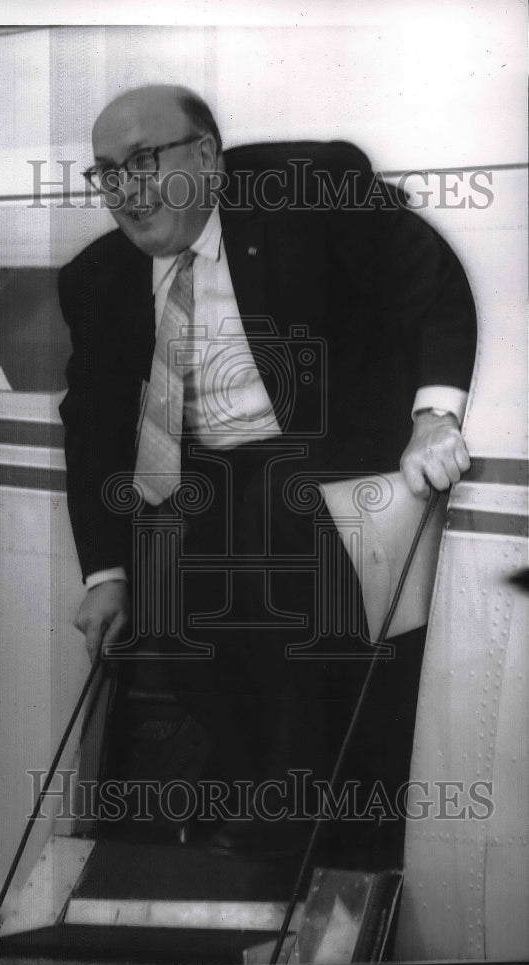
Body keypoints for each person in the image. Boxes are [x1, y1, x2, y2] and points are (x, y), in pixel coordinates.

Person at [58, 85, 477, 852]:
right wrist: (104, 576)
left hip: (325, 461)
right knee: (175, 581)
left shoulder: (307, 195)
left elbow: (436, 289)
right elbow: (89, 431)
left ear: (208, 155)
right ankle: (262, 801)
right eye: (107, 173)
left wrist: (432, 417)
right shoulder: (96, 280)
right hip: (207, 477)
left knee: (271, 537)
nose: (126, 190)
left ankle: (298, 825)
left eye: (144, 161)